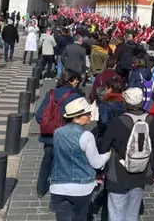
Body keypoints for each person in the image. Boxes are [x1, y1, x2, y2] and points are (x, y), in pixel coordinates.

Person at [99, 87, 154, 221]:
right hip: (142, 172)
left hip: (118, 173)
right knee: (132, 213)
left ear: (125, 102)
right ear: (142, 102)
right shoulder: (151, 121)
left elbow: (104, 147)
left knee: (116, 212)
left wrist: (99, 170)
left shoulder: (117, 122)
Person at [49, 97, 110, 220]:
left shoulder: (57, 132)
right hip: (81, 187)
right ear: (76, 117)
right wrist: (108, 154)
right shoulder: (86, 135)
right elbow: (96, 163)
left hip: (58, 186)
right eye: (87, 114)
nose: (90, 116)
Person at [35, 70, 81, 198]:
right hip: (65, 137)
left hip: (49, 137)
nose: (77, 82)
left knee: (47, 161)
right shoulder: (74, 97)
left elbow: (39, 116)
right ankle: (59, 188)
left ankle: (40, 188)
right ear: (70, 80)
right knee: (63, 162)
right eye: (76, 79)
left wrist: (50, 126)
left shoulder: (50, 94)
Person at [95, 76, 126, 145]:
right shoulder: (123, 102)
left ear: (110, 89)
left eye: (106, 88)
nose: (105, 89)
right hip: (120, 136)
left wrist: (100, 133)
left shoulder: (105, 104)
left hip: (107, 136)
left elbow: (104, 122)